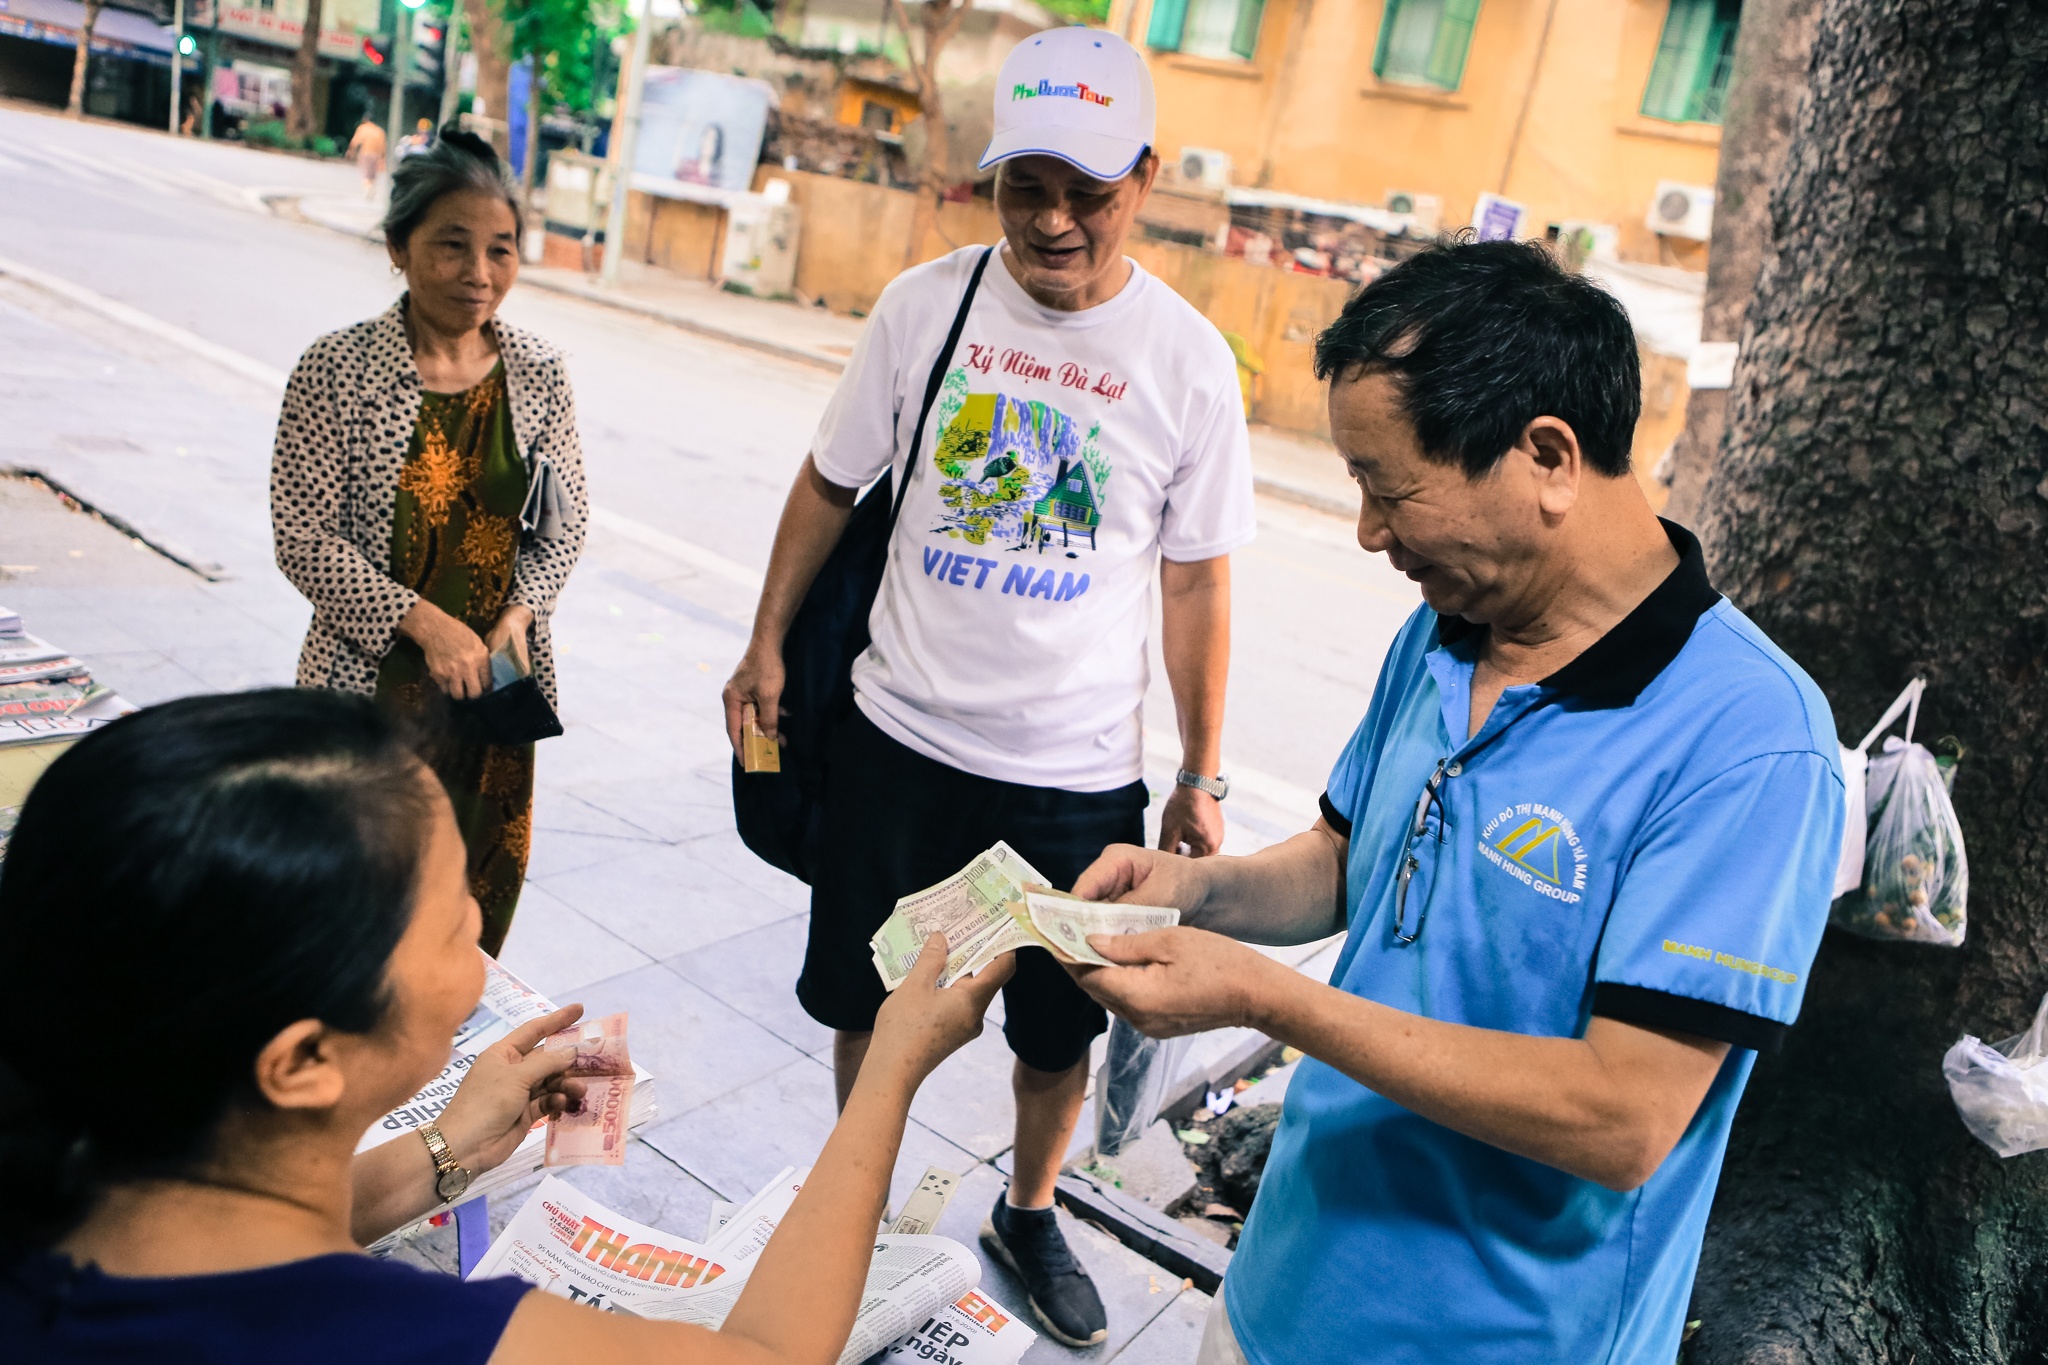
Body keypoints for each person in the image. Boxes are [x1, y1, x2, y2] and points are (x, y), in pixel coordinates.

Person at [1065, 241, 1847, 1365]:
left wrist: (1267, 1001)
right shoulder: (1440, 635)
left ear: (1545, 457)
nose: (1369, 533)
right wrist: (1198, 892)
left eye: (1390, 489)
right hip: (1283, 1284)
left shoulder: (1751, 743)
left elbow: (1619, 1117)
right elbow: (1351, 859)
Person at [721, 27, 1255, 1348]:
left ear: (1145, 176)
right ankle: (869, 1201)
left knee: (1058, 1029)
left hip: (1077, 774)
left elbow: (1196, 583)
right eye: (1028, 185)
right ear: (992, 179)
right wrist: (766, 639)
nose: (1056, 220)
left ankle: (1027, 1207)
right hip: (898, 737)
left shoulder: (1188, 361)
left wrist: (1200, 770)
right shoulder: (927, 308)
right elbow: (828, 486)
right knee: (868, 995)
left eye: (1088, 188)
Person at [0, 688, 1009, 1364]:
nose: (480, 934)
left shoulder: (66, 1198)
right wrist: (890, 1067)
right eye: (448, 921)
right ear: (305, 1060)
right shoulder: (394, 1341)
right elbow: (769, 1355)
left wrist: (444, 1150)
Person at [271, 127, 588, 957]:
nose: (480, 275)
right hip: (368, 692)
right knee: (358, 901)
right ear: (397, 247)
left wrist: (522, 610)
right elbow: (303, 538)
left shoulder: (540, 372)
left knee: (468, 908)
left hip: (494, 699)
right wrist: (426, 622)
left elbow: (567, 520)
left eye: (501, 249)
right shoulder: (336, 370)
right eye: (452, 246)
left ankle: (449, 1076)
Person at [348, 115, 387, 198]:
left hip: (366, 153)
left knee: (366, 172)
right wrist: (383, 158)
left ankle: (368, 188)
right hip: (377, 155)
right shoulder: (379, 131)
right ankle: (371, 187)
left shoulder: (363, 128)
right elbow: (383, 146)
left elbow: (355, 141)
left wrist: (351, 151)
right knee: (373, 173)